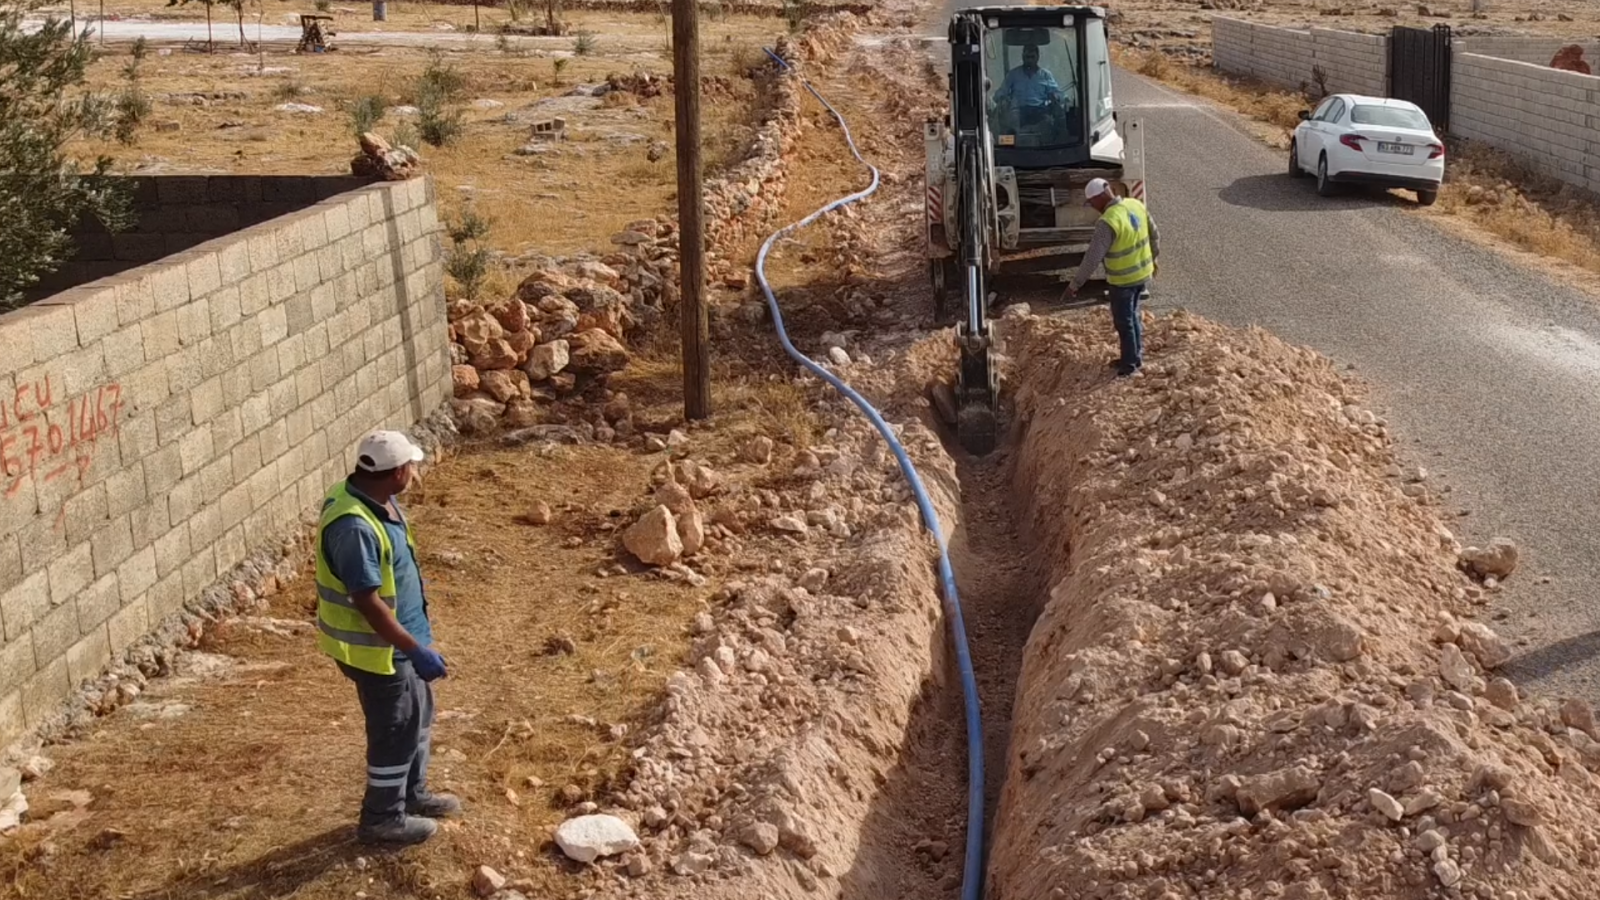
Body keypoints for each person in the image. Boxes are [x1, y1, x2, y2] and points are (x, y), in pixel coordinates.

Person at [315, 429, 460, 846]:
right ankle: (381, 818)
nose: (415, 472)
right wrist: (413, 648)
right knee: (394, 729)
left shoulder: (374, 497)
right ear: (397, 472)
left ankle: (412, 793)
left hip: (404, 643)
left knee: (418, 717)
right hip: (379, 651)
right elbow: (367, 601)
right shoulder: (354, 527)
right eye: (411, 466)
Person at [1063, 177, 1160, 377]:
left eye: (1091, 203)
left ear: (1099, 198)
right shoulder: (1135, 204)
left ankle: (1130, 367)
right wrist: (1153, 259)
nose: (1092, 208)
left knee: (1124, 322)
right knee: (1133, 316)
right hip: (1142, 275)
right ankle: (1134, 357)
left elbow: (1092, 258)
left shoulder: (1107, 222)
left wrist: (1074, 285)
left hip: (1123, 281)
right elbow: (1155, 235)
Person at [993, 43, 1062, 124]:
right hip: (1018, 111)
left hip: (1040, 110)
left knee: (1050, 123)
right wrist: (1002, 98)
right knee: (1010, 123)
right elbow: (1000, 93)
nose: (1029, 60)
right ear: (1023, 57)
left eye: (1032, 57)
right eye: (1027, 57)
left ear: (1037, 57)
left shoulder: (1046, 75)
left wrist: (1056, 96)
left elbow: (1058, 94)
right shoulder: (1013, 74)